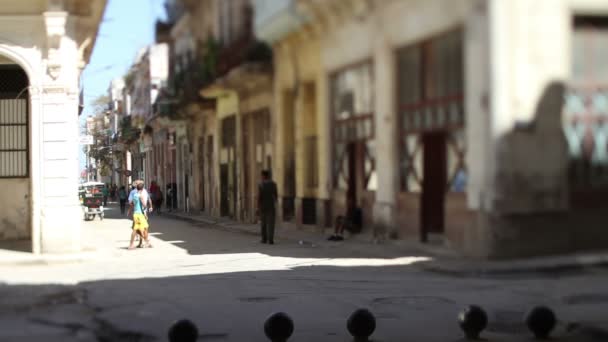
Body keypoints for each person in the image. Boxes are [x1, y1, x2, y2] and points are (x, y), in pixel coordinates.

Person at [127, 182, 153, 249]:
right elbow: (144, 205)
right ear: (142, 189)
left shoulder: (135, 195)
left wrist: (130, 211)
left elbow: (131, 203)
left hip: (136, 213)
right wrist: (146, 209)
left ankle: (145, 242)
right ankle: (132, 244)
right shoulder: (140, 196)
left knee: (141, 228)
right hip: (140, 214)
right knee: (137, 229)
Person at [257, 170, 278, 244]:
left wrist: (258, 206)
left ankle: (264, 239)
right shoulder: (273, 184)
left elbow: (259, 196)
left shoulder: (261, 185)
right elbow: (275, 195)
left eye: (261, 176)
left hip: (263, 206)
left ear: (263, 176)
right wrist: (275, 203)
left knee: (263, 223)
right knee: (271, 223)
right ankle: (271, 239)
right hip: (271, 205)